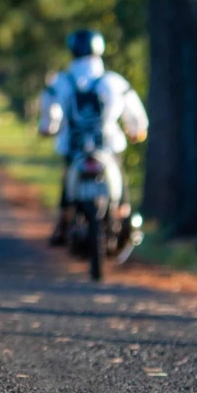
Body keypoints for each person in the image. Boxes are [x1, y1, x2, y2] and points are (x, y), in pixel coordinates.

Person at [38, 29, 147, 245]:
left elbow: (50, 115)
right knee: (120, 182)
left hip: (73, 147)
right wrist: (137, 131)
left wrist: (48, 128)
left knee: (67, 185)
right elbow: (135, 115)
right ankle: (123, 217)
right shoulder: (113, 81)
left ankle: (63, 223)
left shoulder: (61, 82)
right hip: (107, 147)